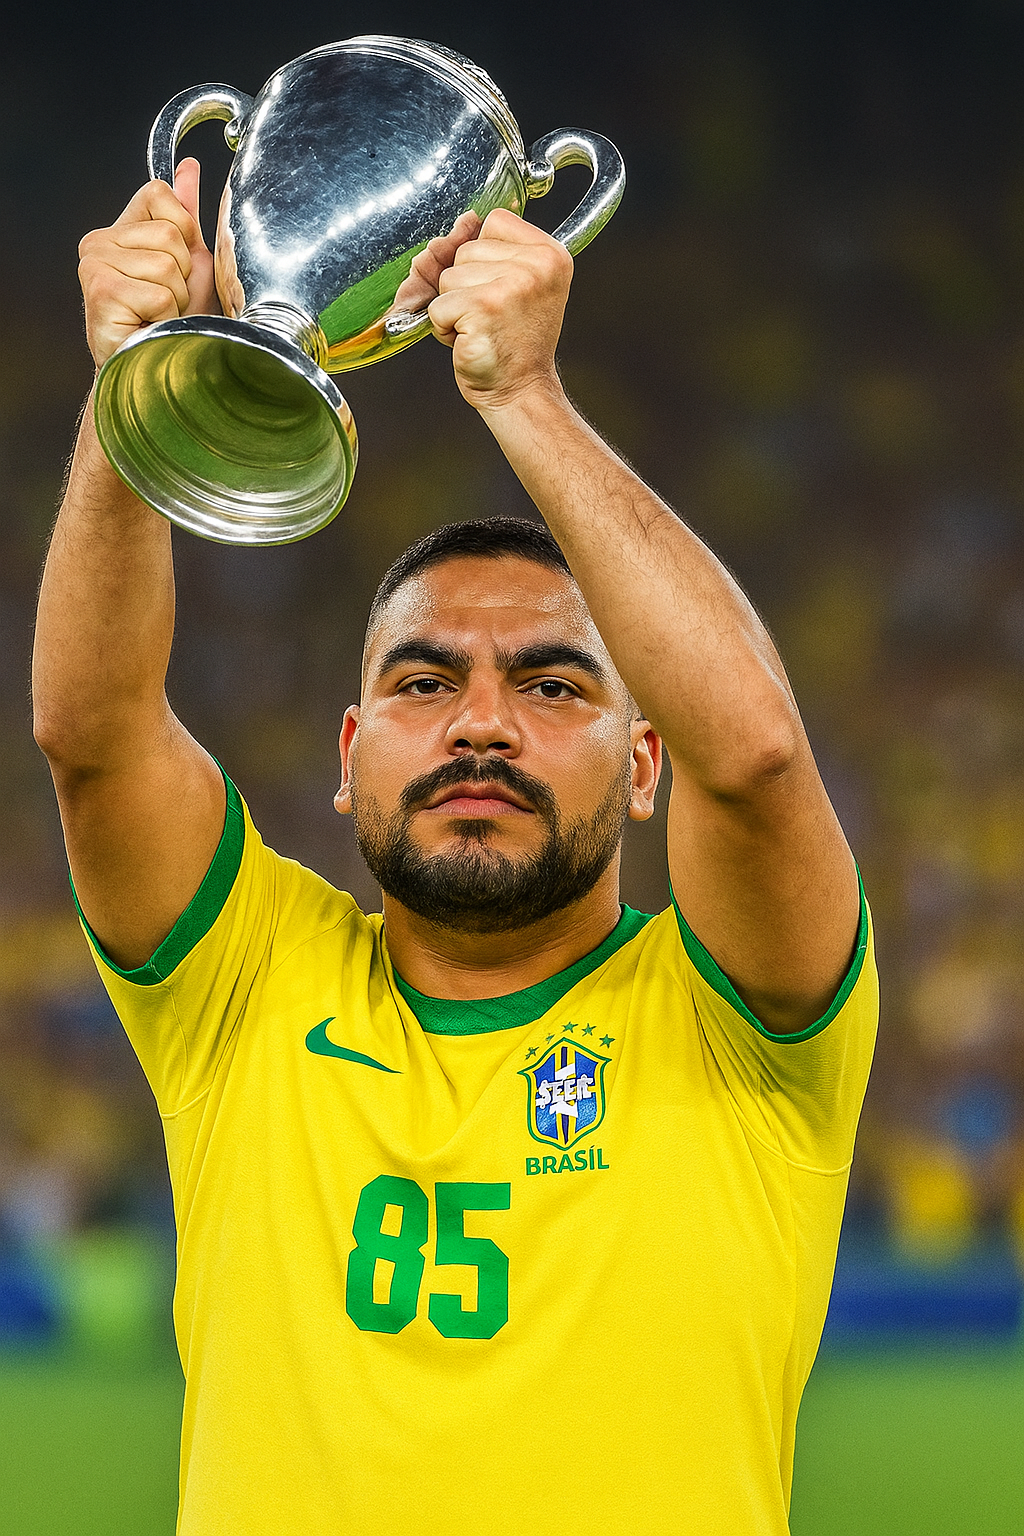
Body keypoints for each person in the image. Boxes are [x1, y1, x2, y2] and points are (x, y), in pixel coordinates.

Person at [33, 156, 877, 1536]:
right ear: (351, 751)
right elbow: (93, 732)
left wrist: (524, 396)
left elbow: (759, 758)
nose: (482, 722)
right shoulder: (248, 985)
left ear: (646, 764)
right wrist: (143, 386)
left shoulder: (740, 1019)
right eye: (425, 683)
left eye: (552, 685)